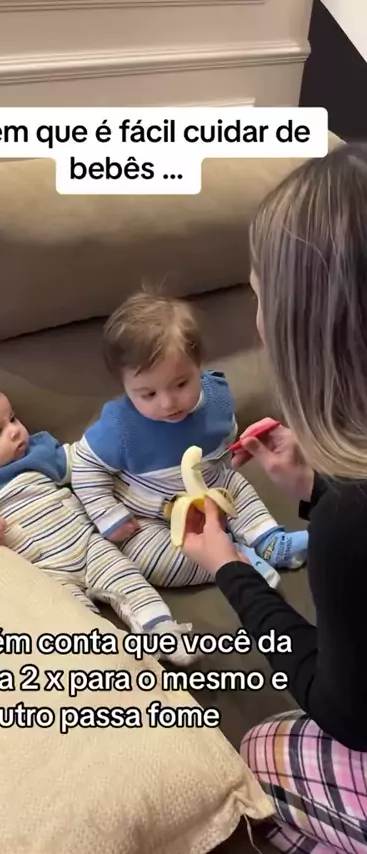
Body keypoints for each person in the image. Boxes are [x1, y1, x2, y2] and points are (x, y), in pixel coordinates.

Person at [181, 143, 367, 854]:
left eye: (258, 297)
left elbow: (345, 713)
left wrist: (229, 568)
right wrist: (315, 488)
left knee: (260, 751)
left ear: (300, 324)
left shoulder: (352, 520)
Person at [0, 381, 196, 666]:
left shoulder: (38, 451)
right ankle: (110, 663)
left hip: (90, 546)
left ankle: (162, 632)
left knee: (130, 581)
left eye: (12, 418)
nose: (15, 430)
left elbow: (82, 461)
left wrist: (112, 445)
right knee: (71, 619)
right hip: (45, 570)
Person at [71, 291, 309, 597]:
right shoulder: (119, 426)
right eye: (148, 394)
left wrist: (234, 450)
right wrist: (109, 515)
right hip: (150, 514)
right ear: (125, 386)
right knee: (147, 557)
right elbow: (84, 466)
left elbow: (225, 437)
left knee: (237, 485)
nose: (168, 402)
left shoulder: (216, 396)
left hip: (211, 487)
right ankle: (235, 562)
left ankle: (271, 542)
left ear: (199, 365)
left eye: (181, 384)